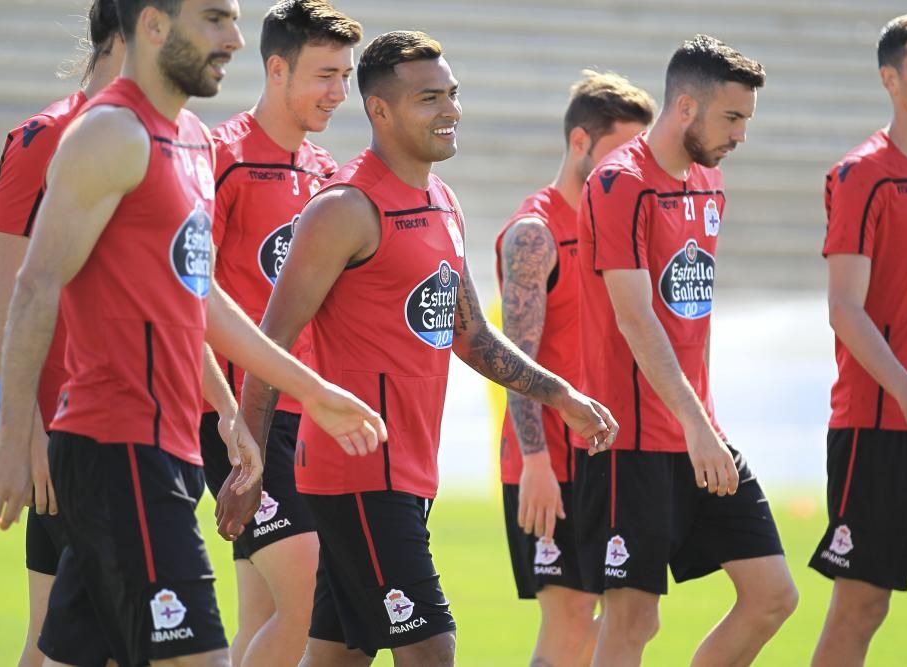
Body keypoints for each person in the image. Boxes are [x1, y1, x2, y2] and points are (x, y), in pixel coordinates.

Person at [0, 1, 385, 665]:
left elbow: (199, 298)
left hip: (165, 447)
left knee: (66, 655)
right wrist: (15, 432)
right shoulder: (108, 133)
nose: (235, 38)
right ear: (155, 25)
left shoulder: (191, 137)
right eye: (216, 19)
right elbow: (33, 283)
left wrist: (282, 396)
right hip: (118, 444)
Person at [226, 30, 618, 667]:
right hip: (355, 468)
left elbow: (472, 336)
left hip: (409, 468)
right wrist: (251, 465)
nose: (450, 110)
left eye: (453, 95)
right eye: (429, 98)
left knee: (337, 653)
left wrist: (561, 395)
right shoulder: (344, 208)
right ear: (379, 111)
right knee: (431, 647)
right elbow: (271, 340)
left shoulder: (443, 201)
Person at [574, 35, 797, 666]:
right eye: (732, 118)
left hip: (697, 430)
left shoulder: (709, 182)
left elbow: (687, 321)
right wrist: (699, 427)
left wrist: (703, 427)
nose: (741, 135)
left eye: (747, 120)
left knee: (772, 594)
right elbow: (636, 319)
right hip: (632, 440)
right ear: (685, 108)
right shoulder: (619, 184)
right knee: (633, 620)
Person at [198, 2, 361, 665]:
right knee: (312, 599)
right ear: (275, 68)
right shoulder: (220, 156)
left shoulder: (328, 173)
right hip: (247, 418)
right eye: (325, 74)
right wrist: (230, 416)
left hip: (309, 418)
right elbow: (191, 294)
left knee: (265, 618)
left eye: (346, 74)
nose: (339, 92)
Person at [809, 14, 907, 667]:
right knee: (862, 605)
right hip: (882, 425)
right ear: (889, 79)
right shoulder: (861, 174)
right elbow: (845, 308)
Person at [495, 70, 654, 667]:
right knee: (567, 620)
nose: (633, 166)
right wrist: (535, 460)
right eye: (623, 150)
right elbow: (515, 359)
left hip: (615, 454)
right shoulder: (534, 232)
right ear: (582, 142)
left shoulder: (624, 225)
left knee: (636, 617)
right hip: (551, 462)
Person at [0, 3, 124, 664]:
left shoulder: (163, 138)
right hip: (68, 432)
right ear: (140, 29)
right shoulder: (45, 136)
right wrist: (25, 434)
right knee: (64, 643)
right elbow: (5, 291)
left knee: (68, 643)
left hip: (139, 430)